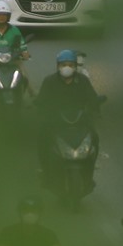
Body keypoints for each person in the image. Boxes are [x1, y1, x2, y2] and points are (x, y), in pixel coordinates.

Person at [36, 50, 104, 192]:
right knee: (42, 137)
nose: (67, 68)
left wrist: (95, 107)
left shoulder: (83, 81)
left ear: (75, 66)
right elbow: (41, 100)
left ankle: (89, 170)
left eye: (70, 65)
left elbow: (92, 98)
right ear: (58, 66)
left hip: (80, 120)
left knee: (94, 139)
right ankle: (46, 171)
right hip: (55, 121)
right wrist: (40, 109)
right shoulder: (49, 81)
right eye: (63, 65)